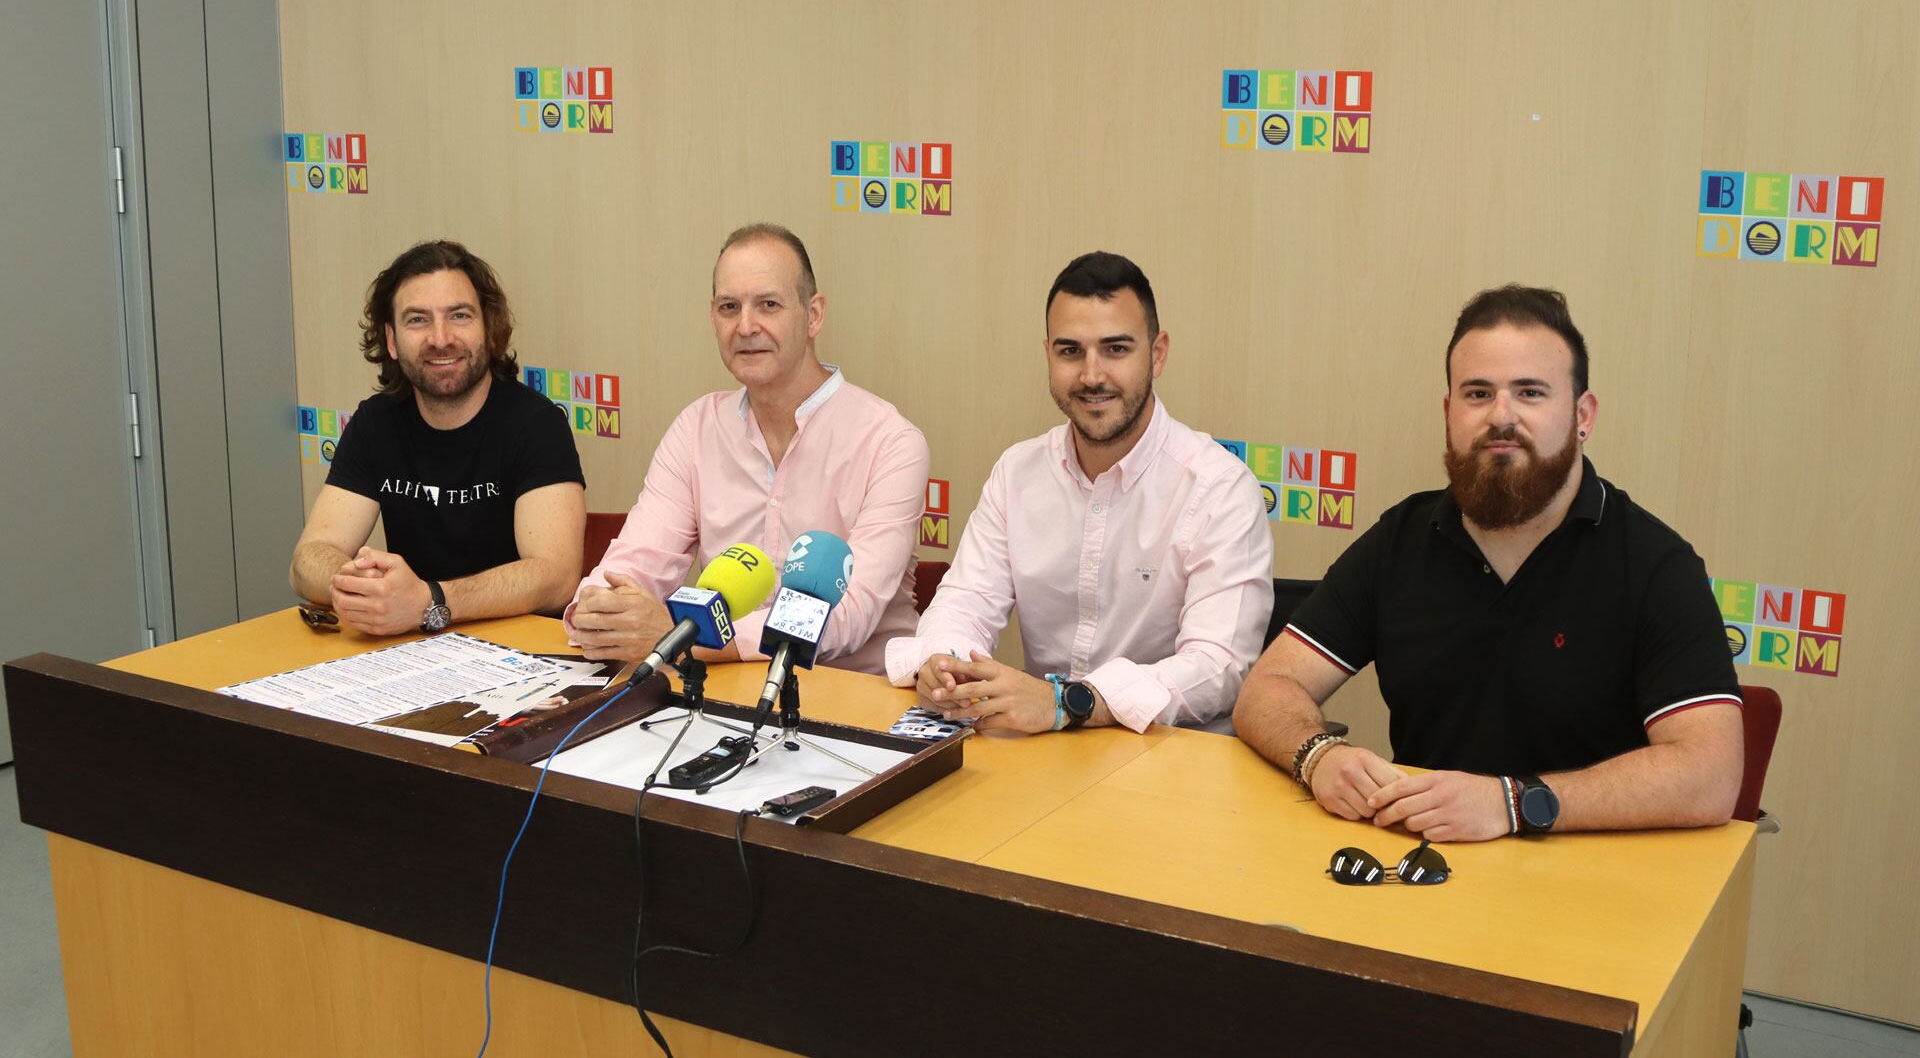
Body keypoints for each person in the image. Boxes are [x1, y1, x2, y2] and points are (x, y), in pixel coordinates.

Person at [1234, 285, 1743, 841]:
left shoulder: (1654, 564)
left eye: (1530, 393)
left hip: (1591, 880)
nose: (1502, 417)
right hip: (1423, 871)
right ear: (1449, 412)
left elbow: (1710, 773)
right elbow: (1269, 686)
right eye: (1478, 393)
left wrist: (1514, 803)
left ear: (1583, 415)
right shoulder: (1401, 539)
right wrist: (1317, 755)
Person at [885, 251, 1272, 734]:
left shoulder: (1219, 486)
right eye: (1071, 351)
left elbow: (1220, 666)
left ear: (1158, 353)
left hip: (1170, 760)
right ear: (1048, 353)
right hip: (1043, 754)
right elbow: (963, 604)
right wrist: (943, 664)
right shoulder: (1017, 471)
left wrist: (1073, 702)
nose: (1091, 376)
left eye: (1116, 349)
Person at [566, 223, 928, 673]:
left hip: (851, 700)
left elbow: (846, 617)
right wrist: (602, 609)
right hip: (721, 691)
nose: (746, 326)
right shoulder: (696, 428)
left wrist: (682, 636)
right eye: (728, 307)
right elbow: (635, 563)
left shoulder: (891, 443)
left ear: (814, 315)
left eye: (769, 305)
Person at [288, 240, 585, 636]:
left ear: (489, 330)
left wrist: (430, 600)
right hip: (408, 649)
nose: (440, 338)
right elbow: (306, 560)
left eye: (459, 316)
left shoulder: (536, 424)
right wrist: (366, 589)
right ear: (391, 340)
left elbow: (557, 577)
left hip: (516, 655)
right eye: (417, 320)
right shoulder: (376, 422)